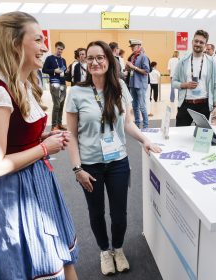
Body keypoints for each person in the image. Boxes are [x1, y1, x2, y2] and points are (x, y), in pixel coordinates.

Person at [0, 12, 78, 279]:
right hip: (15, 194)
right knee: (36, 263)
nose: (45, 46)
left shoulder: (24, 84)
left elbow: (17, 141)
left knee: (61, 258)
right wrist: (45, 149)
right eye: (38, 39)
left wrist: (41, 140)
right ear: (14, 43)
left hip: (38, 181)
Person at [65, 40, 161, 276]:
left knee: (119, 213)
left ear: (109, 60)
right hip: (90, 165)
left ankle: (117, 248)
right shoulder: (76, 92)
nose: (95, 62)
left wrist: (145, 140)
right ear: (84, 61)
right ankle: (103, 251)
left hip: (118, 161)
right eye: (90, 58)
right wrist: (77, 169)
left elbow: (128, 123)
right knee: (96, 212)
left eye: (100, 57)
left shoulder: (119, 86)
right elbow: (71, 135)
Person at [172, 29, 216, 126]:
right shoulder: (182, 61)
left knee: (202, 138)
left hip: (204, 105)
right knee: (181, 136)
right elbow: (174, 82)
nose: (198, 44)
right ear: (192, 42)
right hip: (185, 104)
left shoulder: (211, 62)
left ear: (205, 45)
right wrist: (184, 85)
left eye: (201, 42)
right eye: (196, 41)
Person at [125, 39, 150, 129]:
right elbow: (132, 70)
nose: (132, 48)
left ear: (139, 46)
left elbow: (146, 71)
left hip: (140, 85)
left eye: (133, 46)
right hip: (133, 84)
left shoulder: (144, 57)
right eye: (131, 46)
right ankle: (137, 124)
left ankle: (146, 126)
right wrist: (128, 68)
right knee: (134, 106)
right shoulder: (132, 57)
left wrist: (133, 67)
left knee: (142, 106)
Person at [43, 41, 67, 131]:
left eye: (61, 49)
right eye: (59, 49)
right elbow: (44, 70)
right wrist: (54, 71)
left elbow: (64, 70)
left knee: (61, 104)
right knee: (57, 105)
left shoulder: (63, 60)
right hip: (54, 82)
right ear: (55, 48)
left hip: (63, 83)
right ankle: (54, 126)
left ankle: (59, 124)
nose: (60, 51)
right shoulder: (49, 58)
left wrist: (66, 72)